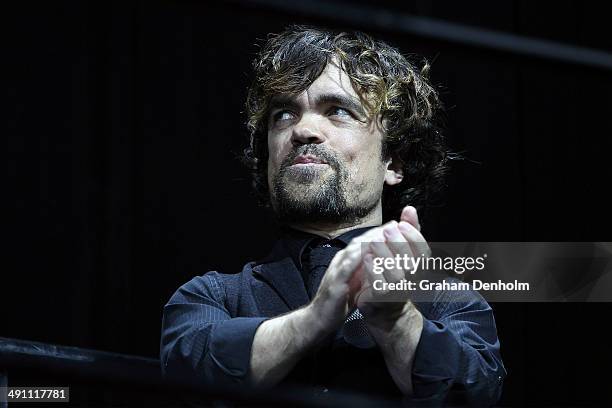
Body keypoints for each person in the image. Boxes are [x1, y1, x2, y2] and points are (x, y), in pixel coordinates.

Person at [160, 25, 506, 406]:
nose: (303, 130)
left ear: (396, 161)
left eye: (337, 110)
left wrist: (395, 322)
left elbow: (475, 395)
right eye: (284, 115)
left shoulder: (448, 300)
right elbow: (186, 378)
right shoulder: (210, 297)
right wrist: (317, 316)